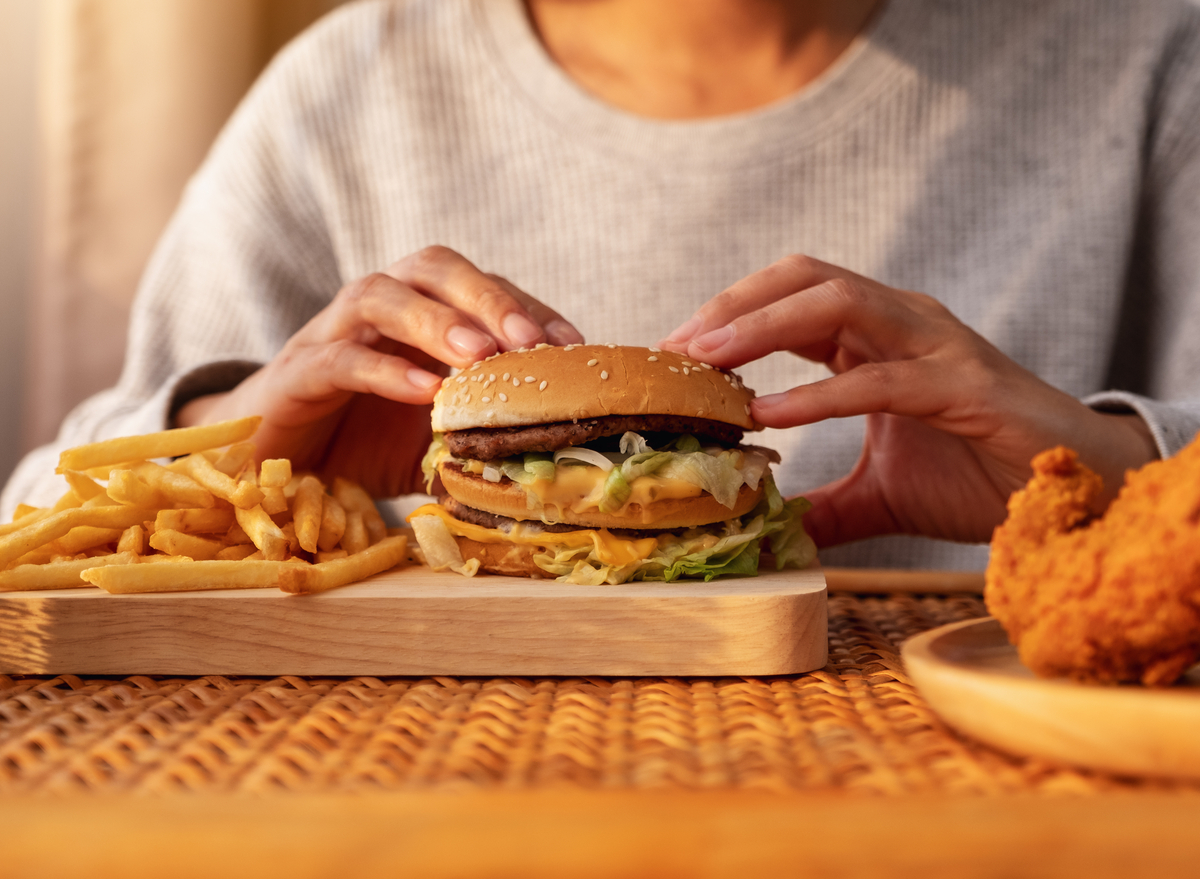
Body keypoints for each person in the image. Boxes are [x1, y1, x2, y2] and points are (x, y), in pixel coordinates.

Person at [5, 0, 1200, 570]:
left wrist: (1115, 477)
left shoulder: (1151, 61)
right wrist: (225, 445)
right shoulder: (340, 99)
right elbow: (29, 536)